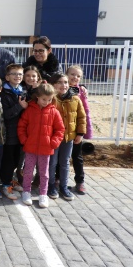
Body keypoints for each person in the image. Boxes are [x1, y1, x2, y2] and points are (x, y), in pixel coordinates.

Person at [18, 83, 65, 208]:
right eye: (44, 99)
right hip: (30, 147)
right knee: (28, 171)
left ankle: (43, 194)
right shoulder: (29, 110)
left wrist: (53, 142)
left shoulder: (54, 112)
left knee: (44, 173)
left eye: (49, 99)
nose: (46, 102)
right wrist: (24, 140)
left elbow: (60, 130)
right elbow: (22, 126)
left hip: (46, 148)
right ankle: (26, 191)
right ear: (37, 97)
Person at [48, 73, 86, 201]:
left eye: (65, 82)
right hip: (53, 138)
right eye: (59, 82)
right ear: (53, 85)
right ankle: (51, 185)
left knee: (65, 162)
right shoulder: (51, 99)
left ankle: (64, 187)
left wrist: (80, 133)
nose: (63, 85)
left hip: (69, 137)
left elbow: (81, 117)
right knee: (52, 162)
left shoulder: (75, 99)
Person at [0, 64, 28, 199]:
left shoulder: (23, 91)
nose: (18, 76)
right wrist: (19, 106)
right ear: (7, 77)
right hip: (9, 132)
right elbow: (5, 114)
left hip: (21, 132)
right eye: (14, 74)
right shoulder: (3, 93)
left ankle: (11, 180)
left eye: (20, 74)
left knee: (17, 160)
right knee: (8, 160)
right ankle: (5, 184)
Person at [66, 65, 93, 195]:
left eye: (78, 76)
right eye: (72, 74)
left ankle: (80, 181)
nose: (75, 78)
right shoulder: (60, 88)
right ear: (66, 74)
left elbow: (84, 113)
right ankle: (59, 180)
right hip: (63, 129)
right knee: (61, 157)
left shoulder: (81, 91)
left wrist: (81, 132)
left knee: (77, 156)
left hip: (76, 129)